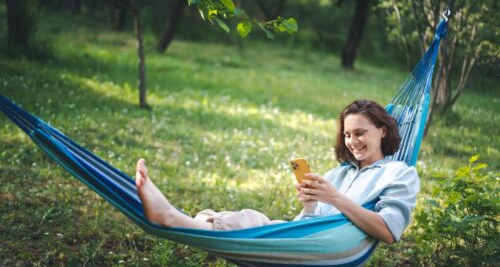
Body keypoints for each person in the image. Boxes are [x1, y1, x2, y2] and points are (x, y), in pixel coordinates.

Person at [135, 99, 420, 244]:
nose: (353, 142)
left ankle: (171, 217)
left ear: (382, 131)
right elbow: (308, 223)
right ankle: (182, 219)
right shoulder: (339, 174)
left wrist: (334, 199)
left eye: (360, 133)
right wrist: (310, 206)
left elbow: (389, 231)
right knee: (252, 219)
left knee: (251, 221)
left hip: (329, 247)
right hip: (308, 239)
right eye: (347, 135)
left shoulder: (399, 173)